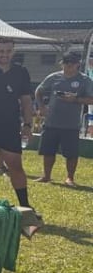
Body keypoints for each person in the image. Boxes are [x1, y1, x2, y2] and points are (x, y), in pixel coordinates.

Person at [34, 51, 92, 186]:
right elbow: (39, 91)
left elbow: (91, 99)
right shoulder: (53, 77)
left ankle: (70, 178)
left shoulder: (84, 80)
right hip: (51, 121)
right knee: (48, 150)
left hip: (71, 124)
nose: (69, 66)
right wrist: (41, 106)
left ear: (78, 64)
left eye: (72, 64)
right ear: (62, 63)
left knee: (71, 153)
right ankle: (46, 176)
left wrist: (76, 99)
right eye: (66, 63)